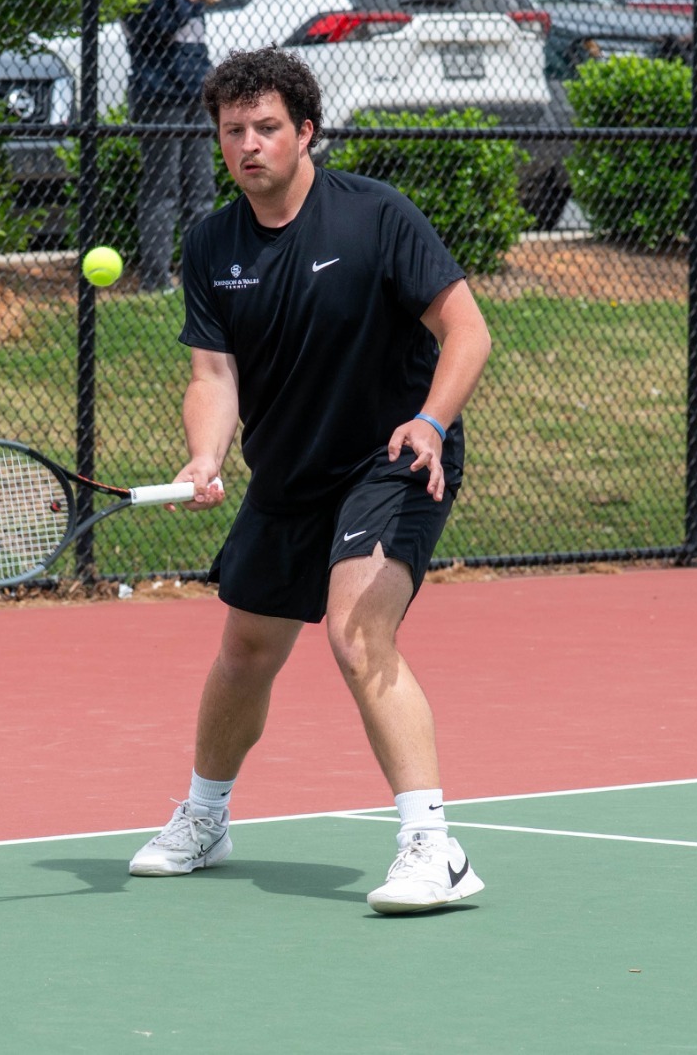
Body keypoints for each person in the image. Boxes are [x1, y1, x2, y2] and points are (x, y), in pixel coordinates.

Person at [127, 48, 494, 914]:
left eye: (266, 128)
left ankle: (432, 846)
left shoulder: (374, 217)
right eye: (232, 132)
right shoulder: (212, 243)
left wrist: (431, 423)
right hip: (289, 470)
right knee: (246, 650)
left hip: (394, 455)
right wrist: (207, 454)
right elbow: (213, 379)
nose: (248, 145)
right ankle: (205, 819)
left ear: (306, 133)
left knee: (356, 633)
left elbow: (467, 331)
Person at [118, 0, 218, 292]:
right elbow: (150, 28)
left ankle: (198, 280)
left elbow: (187, 23)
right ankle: (156, 278)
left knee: (201, 188)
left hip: (195, 88)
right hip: (159, 92)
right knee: (162, 188)